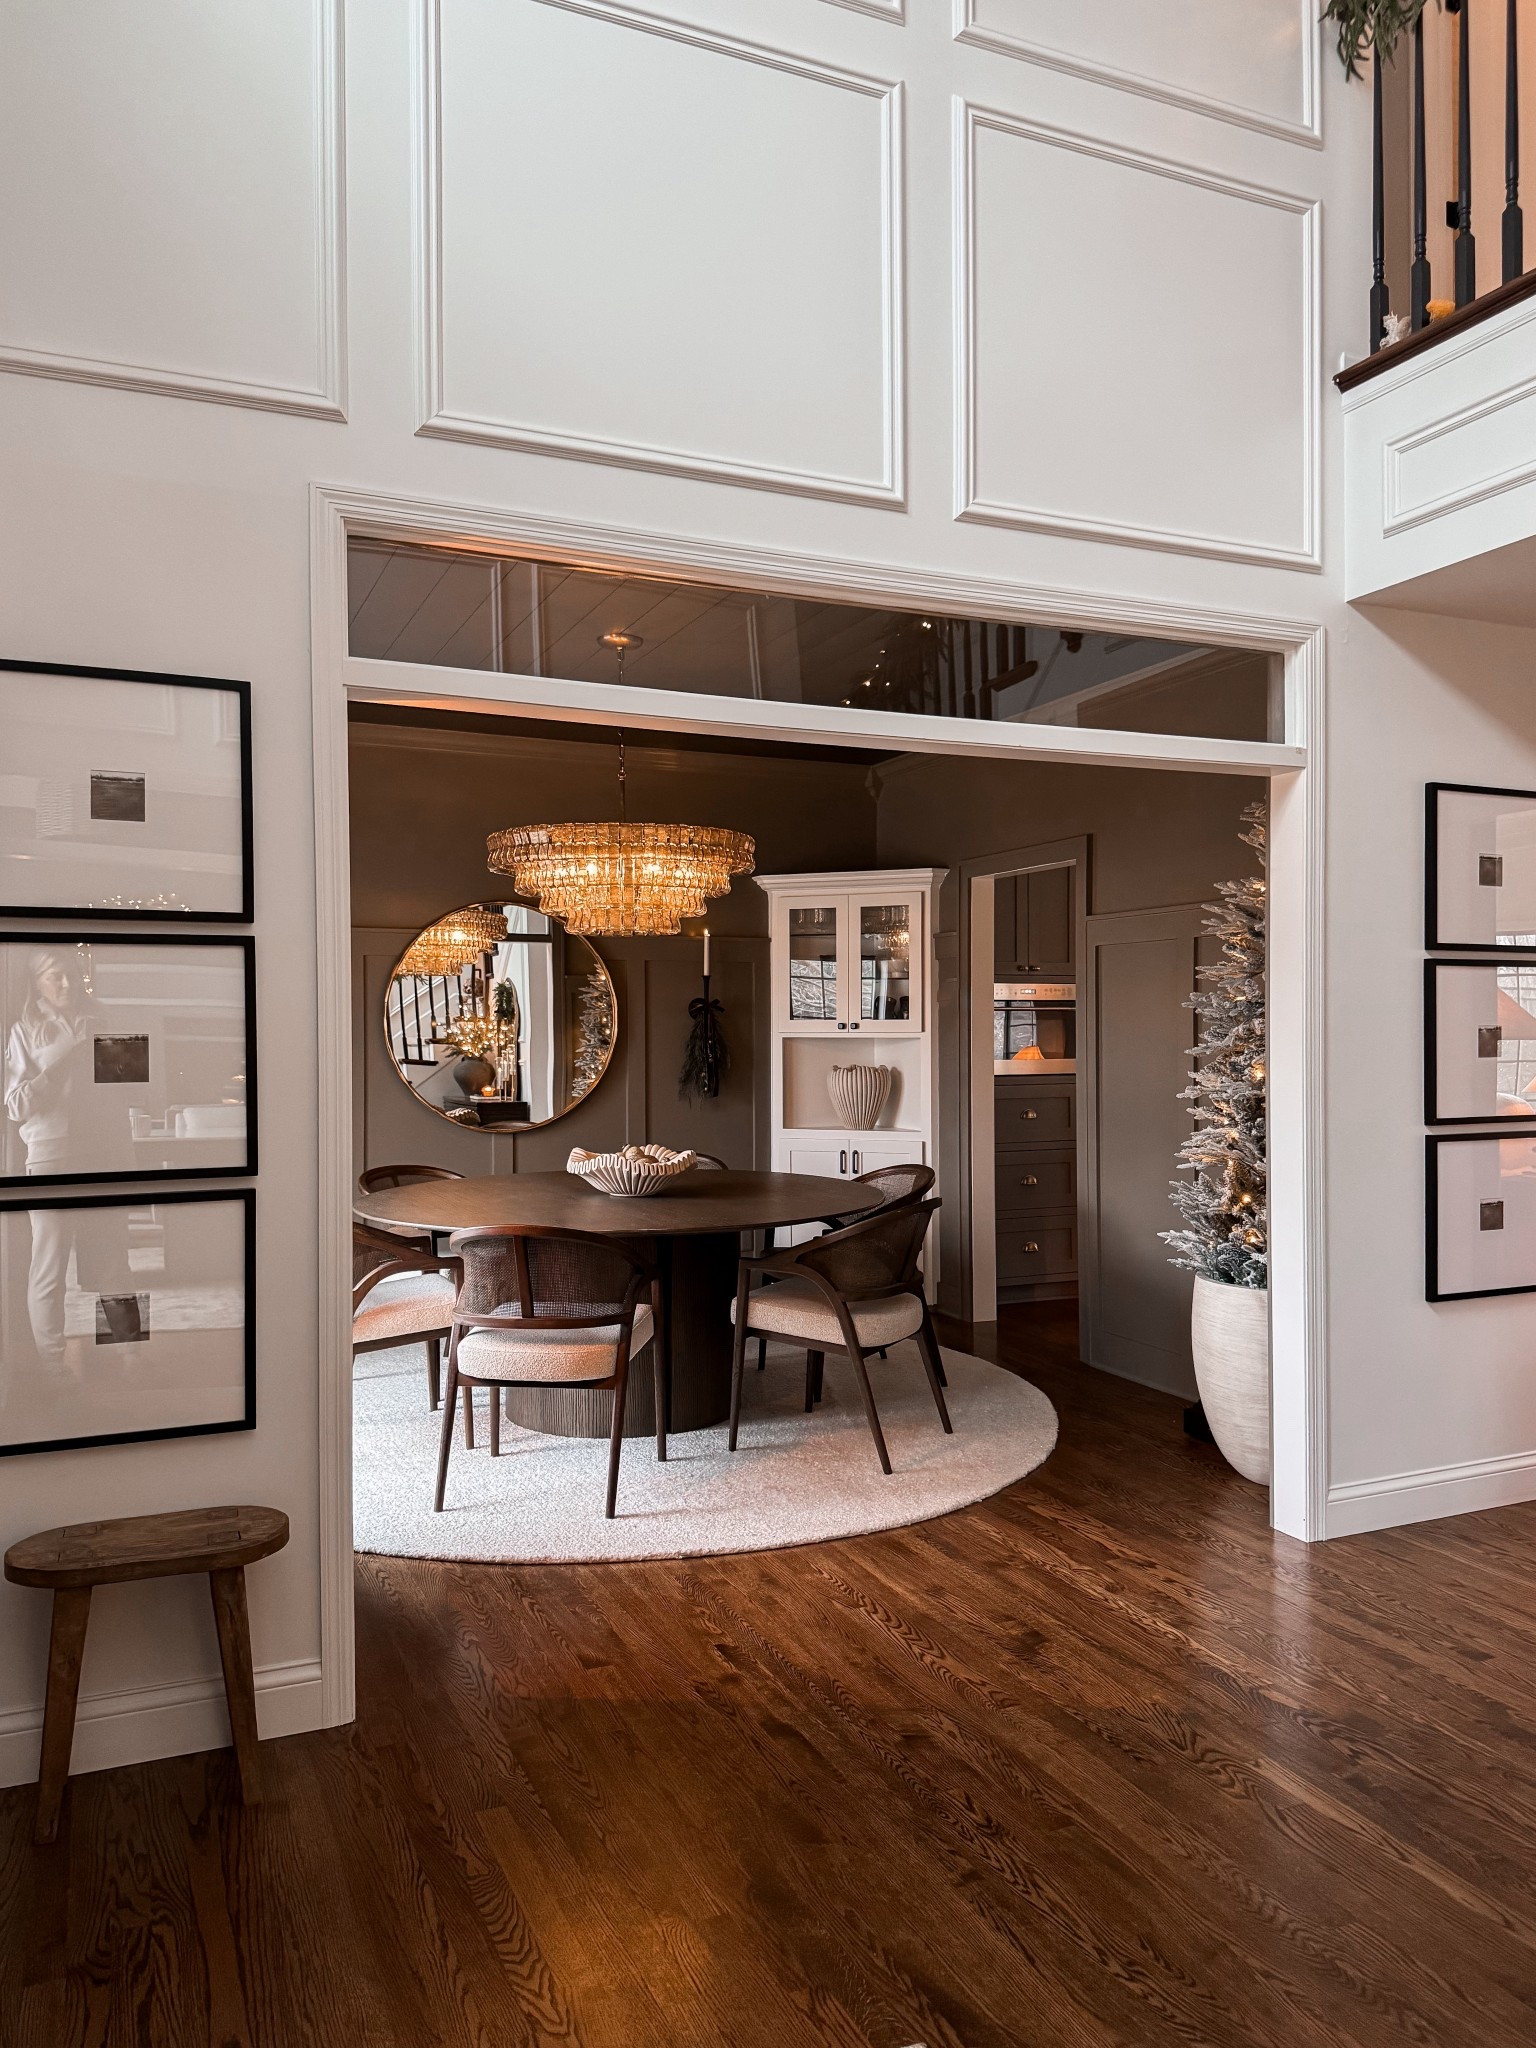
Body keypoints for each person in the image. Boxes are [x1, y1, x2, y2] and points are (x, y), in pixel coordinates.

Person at [3, 949, 97, 1358]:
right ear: (37, 981)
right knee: (50, 1268)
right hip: (51, 1156)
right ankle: (53, 1369)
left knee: (113, 1266)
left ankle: (124, 1355)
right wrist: (58, 1069)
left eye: (71, 975)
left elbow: (129, 1088)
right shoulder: (26, 1031)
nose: (67, 984)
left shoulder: (103, 1017)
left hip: (108, 1152)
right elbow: (14, 1105)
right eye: (56, 976)